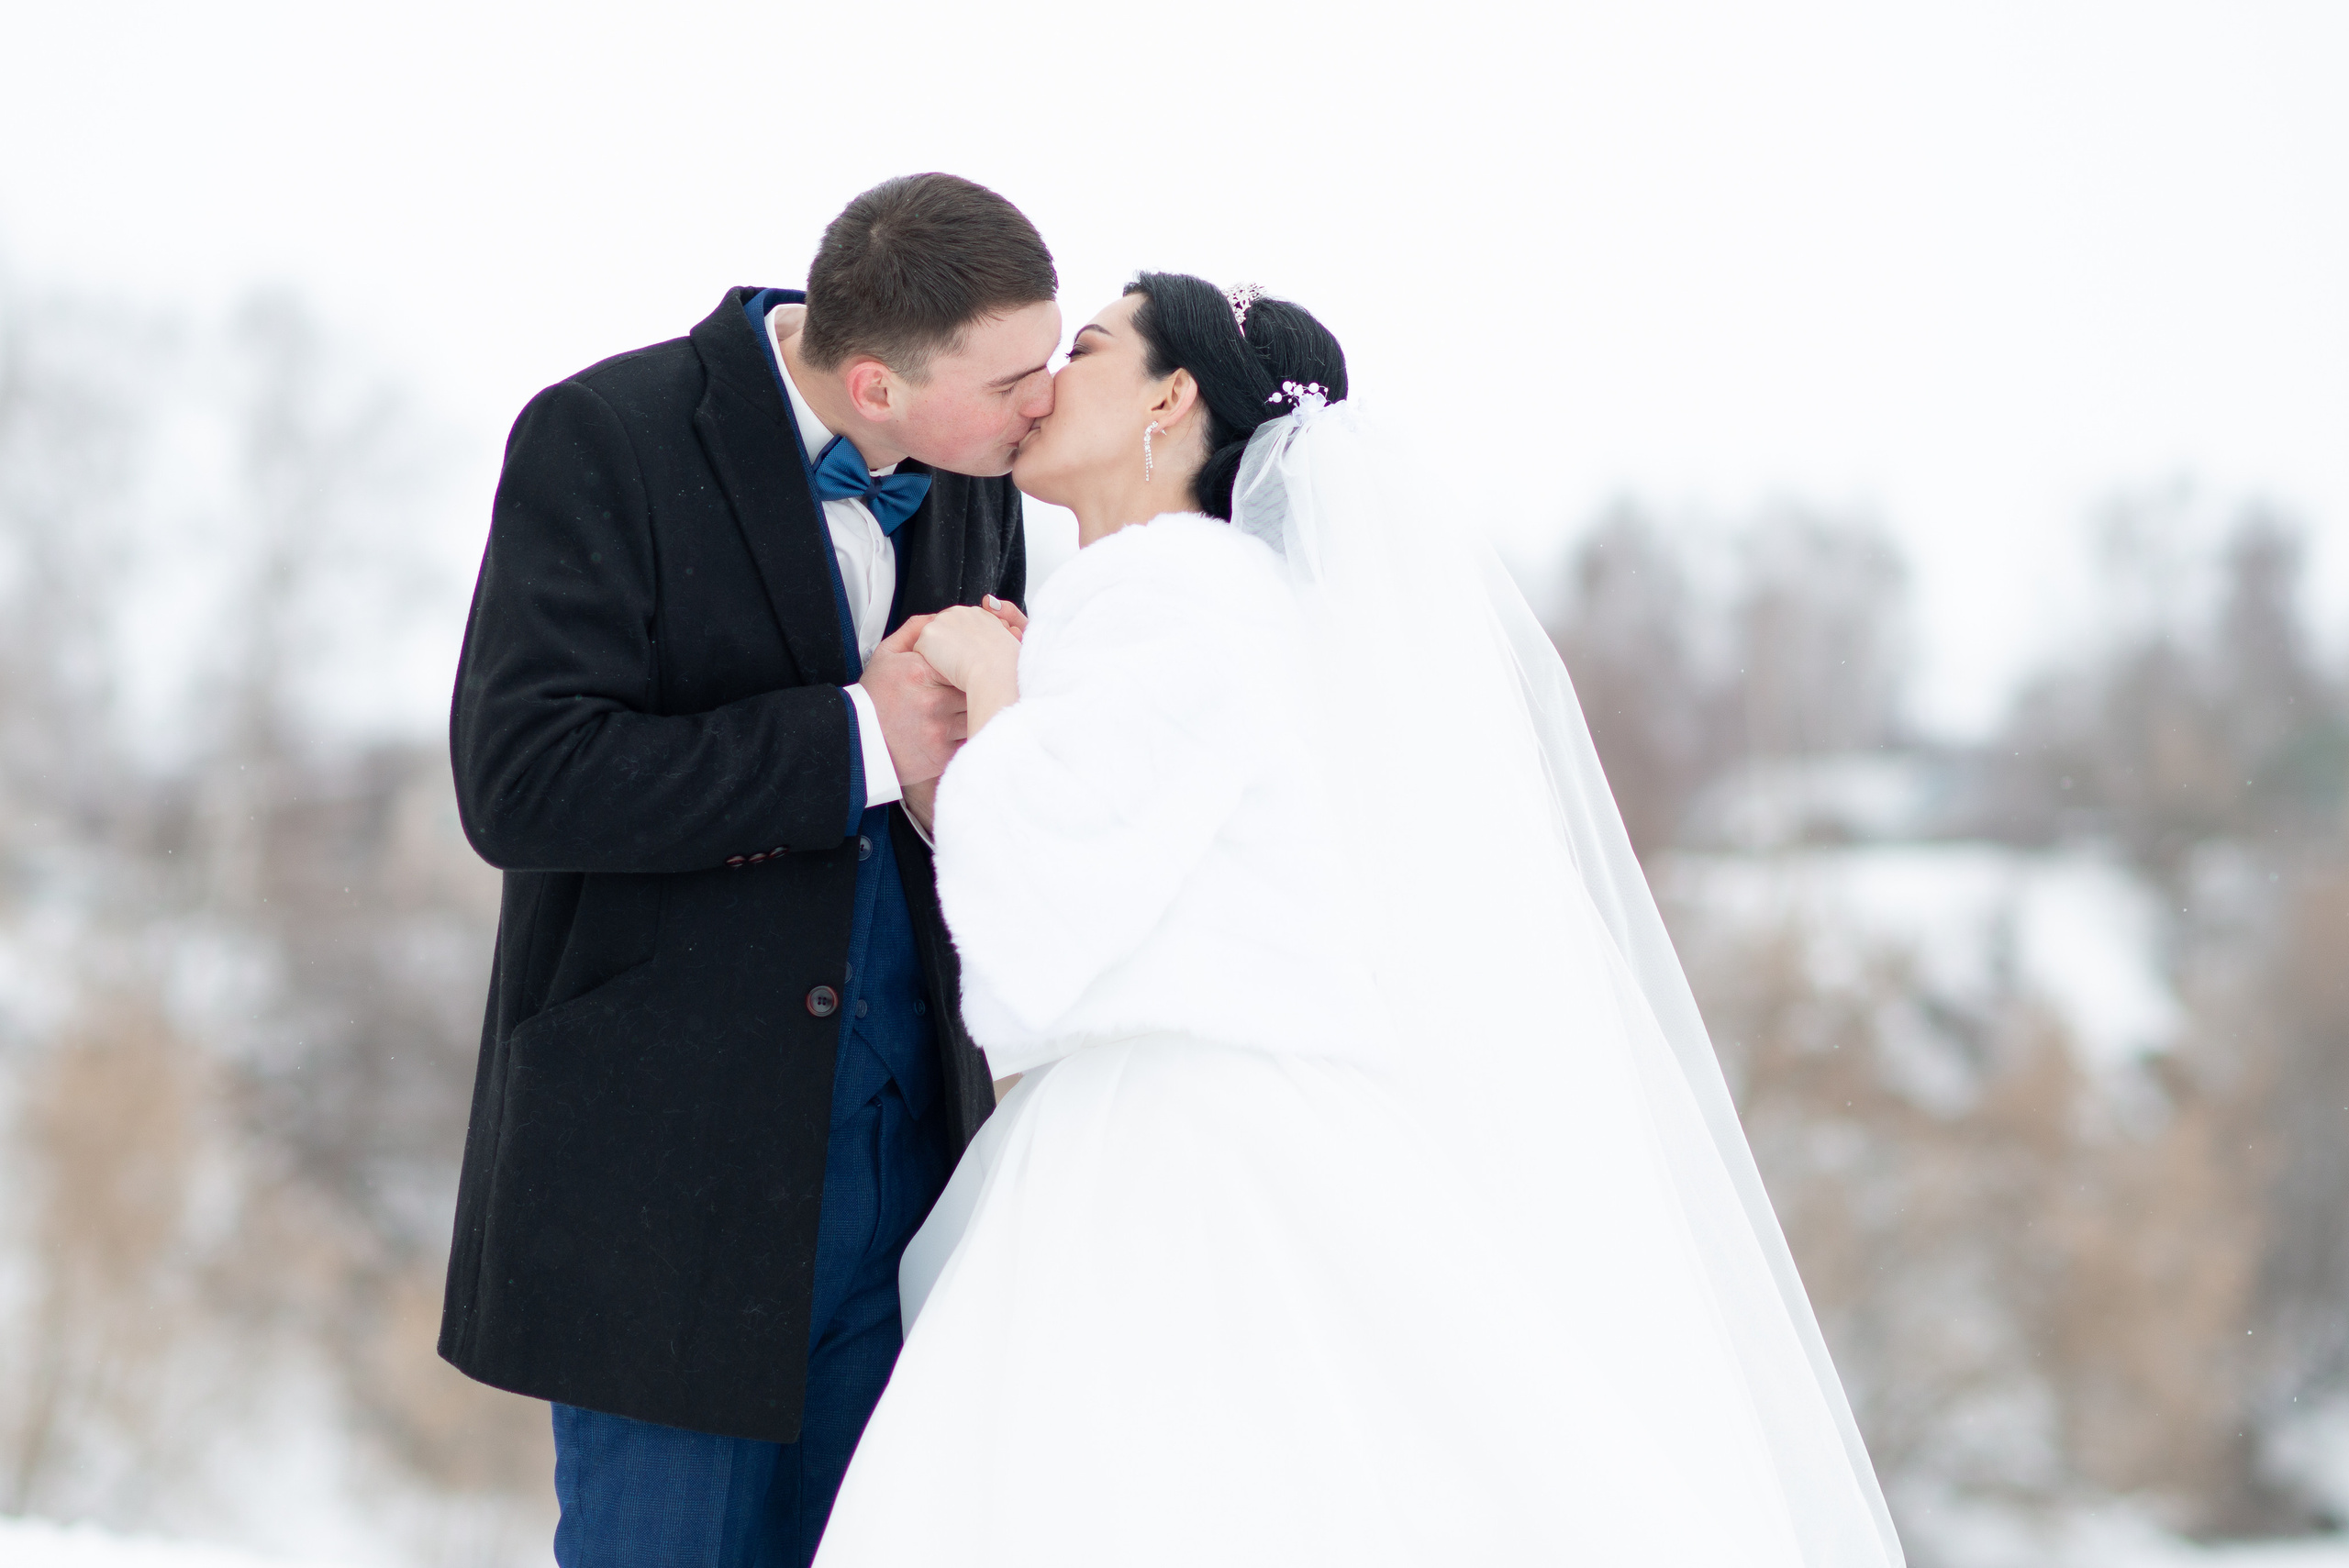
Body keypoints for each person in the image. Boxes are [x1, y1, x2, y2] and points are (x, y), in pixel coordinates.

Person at [810, 275, 1908, 1565]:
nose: (1047, 377)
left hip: (1172, 1149)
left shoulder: (1175, 599)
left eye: (1089, 346)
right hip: (1190, 1109)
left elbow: (1041, 927)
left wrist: (993, 685)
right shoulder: (1164, 602)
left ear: (1171, 398)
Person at [439, 173, 1058, 1567]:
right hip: (670, 1181)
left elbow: (934, 802)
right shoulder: (604, 435)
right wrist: (855, 734)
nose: (1044, 401)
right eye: (1013, 376)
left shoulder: (972, 480)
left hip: (909, 1170)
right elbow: (521, 776)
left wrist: (961, 780)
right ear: (874, 384)